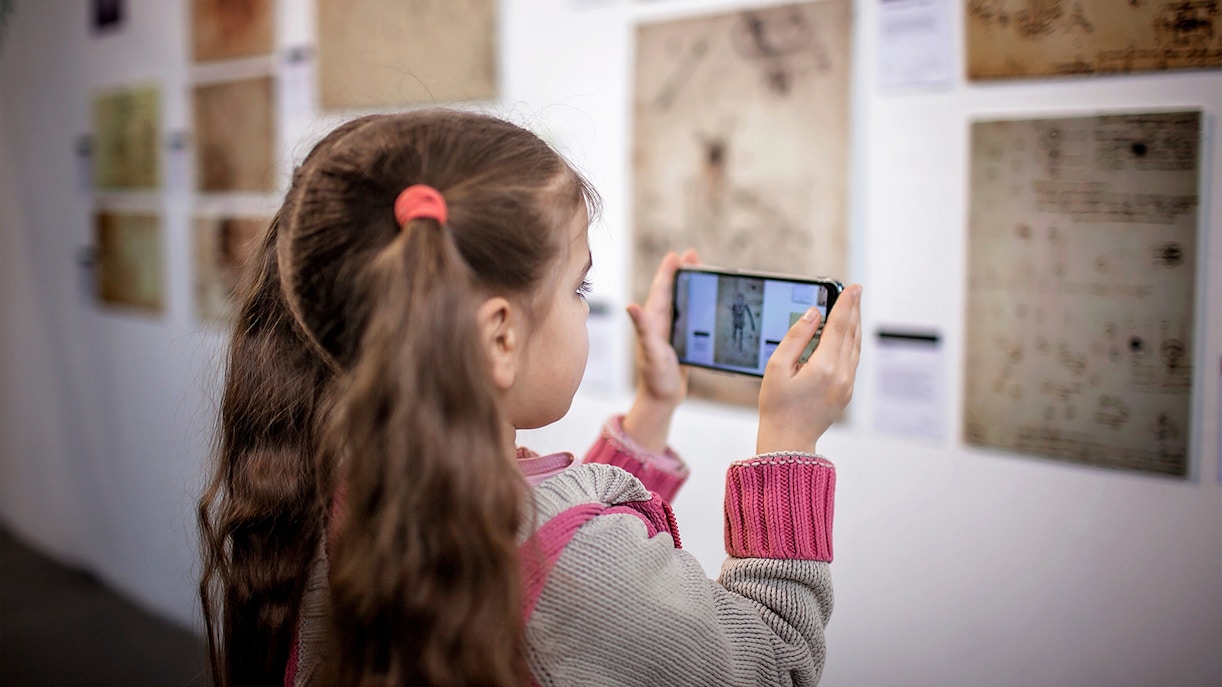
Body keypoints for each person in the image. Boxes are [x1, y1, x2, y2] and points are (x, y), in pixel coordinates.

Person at [198, 109, 863, 687]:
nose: (586, 307)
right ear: (499, 335)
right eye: (578, 286)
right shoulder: (574, 569)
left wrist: (653, 408)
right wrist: (789, 441)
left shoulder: (332, 480)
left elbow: (545, 547)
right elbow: (773, 663)